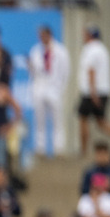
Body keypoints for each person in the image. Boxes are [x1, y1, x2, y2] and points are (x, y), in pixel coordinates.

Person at [77, 26, 110, 154]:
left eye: (85, 34)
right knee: (101, 122)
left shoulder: (91, 49)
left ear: (91, 35)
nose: (83, 36)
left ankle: (83, 151)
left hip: (92, 92)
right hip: (102, 90)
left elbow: (91, 71)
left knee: (83, 118)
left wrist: (93, 92)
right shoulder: (102, 49)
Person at [28, 25, 70, 157]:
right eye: (40, 36)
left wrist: (60, 88)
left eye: (43, 35)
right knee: (39, 120)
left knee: (57, 120)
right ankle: (40, 148)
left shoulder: (61, 51)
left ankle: (59, 148)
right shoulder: (35, 51)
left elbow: (66, 71)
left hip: (54, 88)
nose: (41, 38)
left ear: (49, 34)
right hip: (40, 87)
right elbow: (34, 73)